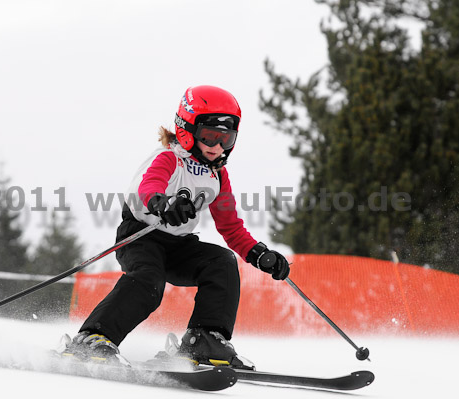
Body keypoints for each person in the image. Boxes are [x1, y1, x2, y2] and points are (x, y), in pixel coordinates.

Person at [63, 85, 290, 369]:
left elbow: (231, 228)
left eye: (226, 138)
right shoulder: (170, 157)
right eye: (209, 136)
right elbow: (149, 186)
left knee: (221, 262)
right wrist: (163, 203)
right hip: (140, 236)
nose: (217, 146)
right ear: (187, 128)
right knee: (149, 280)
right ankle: (93, 338)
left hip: (178, 245)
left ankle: (204, 339)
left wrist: (258, 253)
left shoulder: (217, 175)